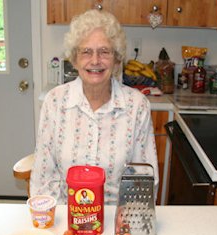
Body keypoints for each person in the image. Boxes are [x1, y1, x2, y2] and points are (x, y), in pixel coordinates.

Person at [30, 9, 158, 204]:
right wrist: (65, 220)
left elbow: (145, 179)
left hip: (116, 218)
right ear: (74, 58)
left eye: (104, 52)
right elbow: (43, 177)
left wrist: (120, 223)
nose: (95, 60)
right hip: (67, 216)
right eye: (86, 51)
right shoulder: (54, 102)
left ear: (116, 59)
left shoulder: (137, 106)